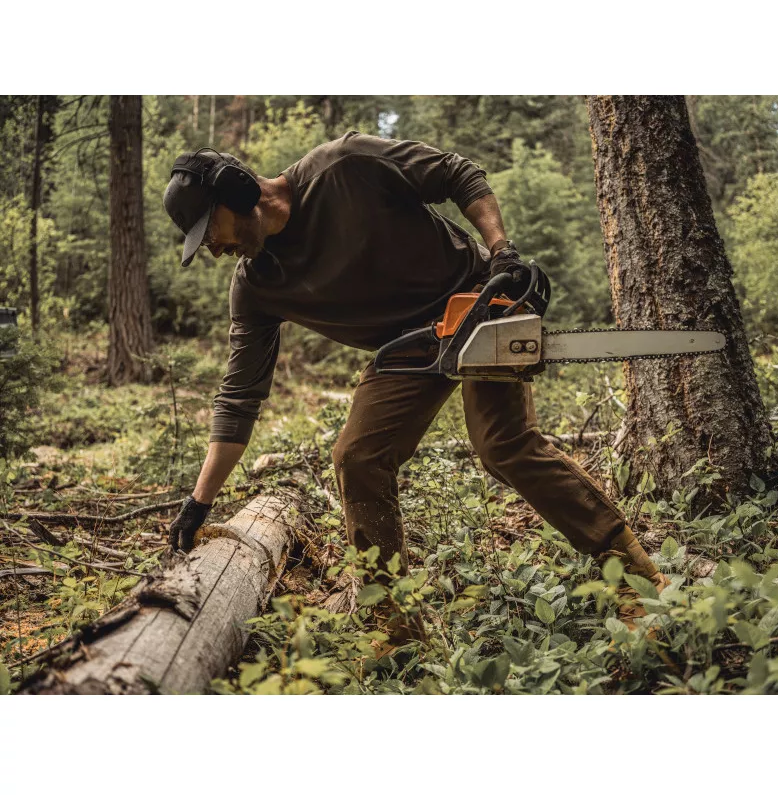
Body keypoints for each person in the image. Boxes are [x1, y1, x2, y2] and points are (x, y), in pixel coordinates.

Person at [163, 132, 667, 646]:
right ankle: (396, 627)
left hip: (472, 307)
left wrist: (501, 252)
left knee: (503, 445)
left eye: (210, 231)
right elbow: (239, 397)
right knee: (357, 457)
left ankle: (637, 578)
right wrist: (199, 504)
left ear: (237, 192)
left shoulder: (345, 167)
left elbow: (458, 173)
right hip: (402, 349)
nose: (213, 248)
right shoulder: (255, 285)